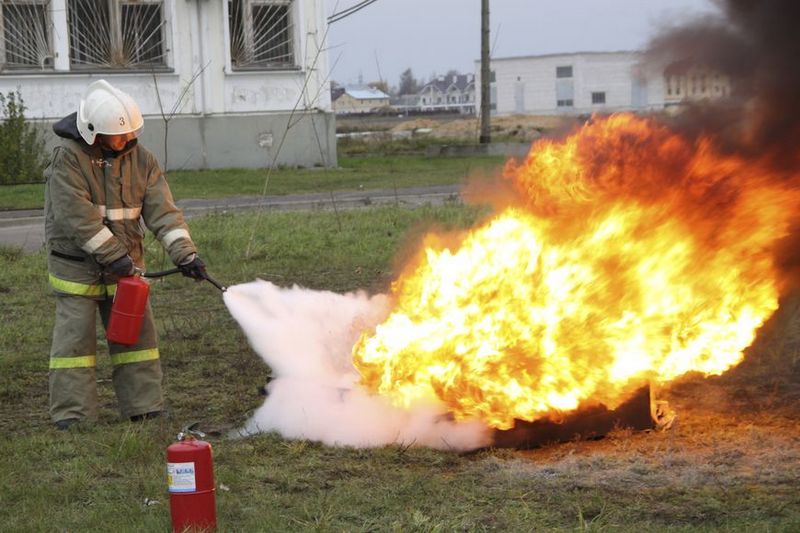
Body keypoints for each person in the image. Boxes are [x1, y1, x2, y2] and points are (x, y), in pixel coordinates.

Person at [44, 79, 207, 430]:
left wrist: (185, 254)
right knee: (75, 346)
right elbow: (78, 218)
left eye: (130, 133)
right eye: (116, 136)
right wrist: (112, 255)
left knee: (137, 341)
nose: (125, 141)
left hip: (124, 271)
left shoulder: (142, 160)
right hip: (78, 271)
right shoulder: (68, 160)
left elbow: (164, 213)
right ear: (90, 132)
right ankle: (74, 417)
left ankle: (144, 408)